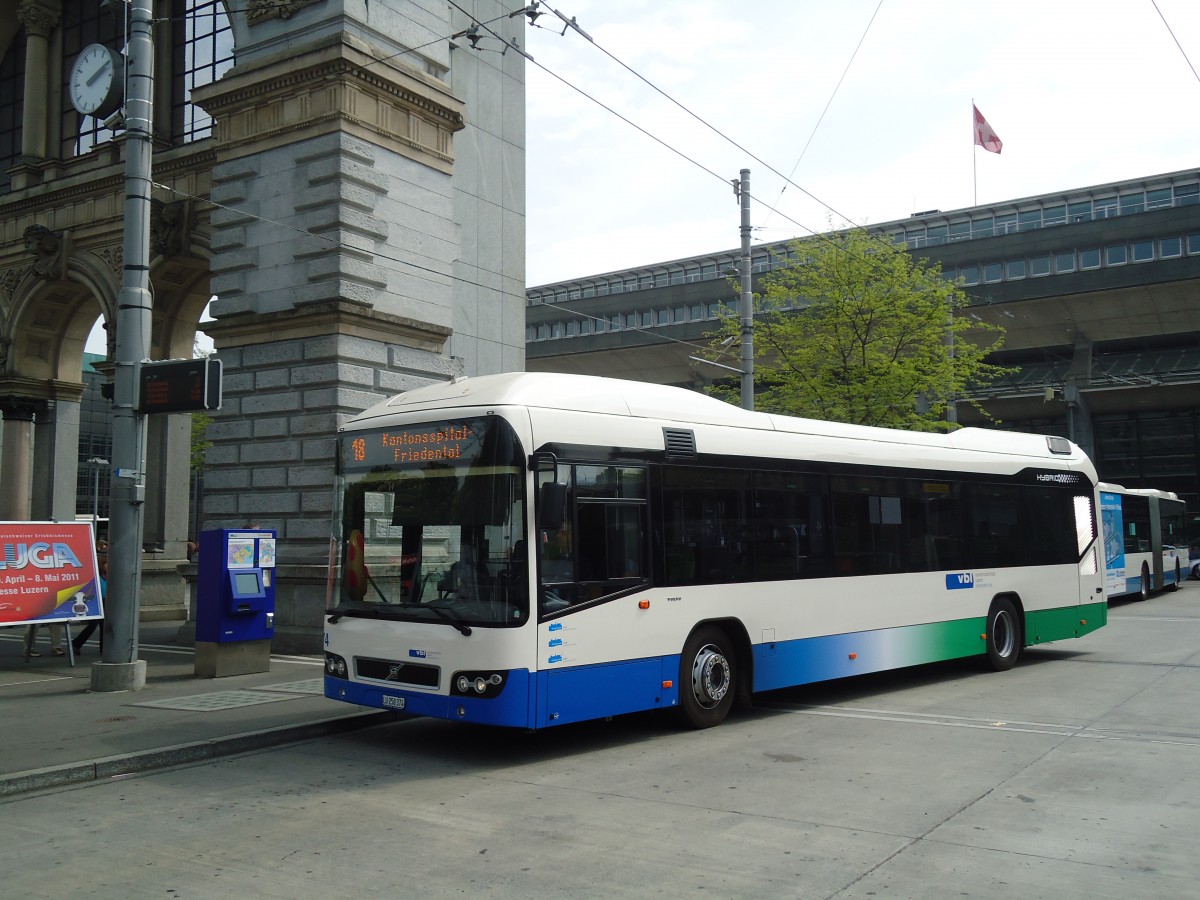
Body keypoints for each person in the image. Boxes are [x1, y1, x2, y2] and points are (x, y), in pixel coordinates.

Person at [72, 555, 106, 656]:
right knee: (93, 624)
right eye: (106, 564)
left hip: (105, 601)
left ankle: (103, 648)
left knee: (104, 626)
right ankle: (77, 643)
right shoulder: (97, 577)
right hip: (95, 602)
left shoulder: (107, 576)